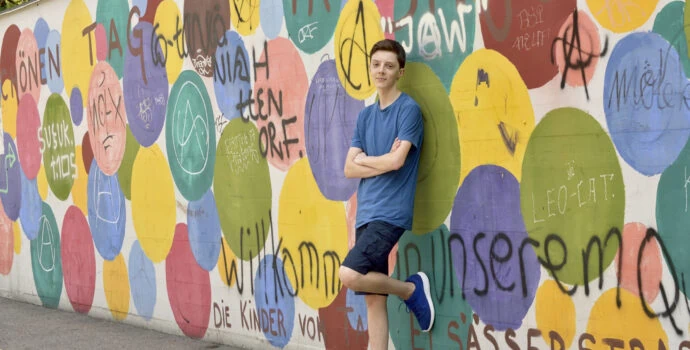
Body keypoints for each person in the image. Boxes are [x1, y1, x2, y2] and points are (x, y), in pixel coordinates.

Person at [339, 39, 434, 350]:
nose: (381, 70)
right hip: (366, 212)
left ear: (400, 72)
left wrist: (366, 159)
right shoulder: (366, 117)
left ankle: (409, 290)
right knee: (374, 303)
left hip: (389, 213)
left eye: (389, 66)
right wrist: (373, 162)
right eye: (376, 64)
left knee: (349, 274)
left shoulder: (408, 111)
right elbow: (349, 169)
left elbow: (397, 161)